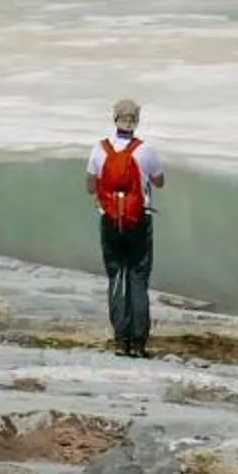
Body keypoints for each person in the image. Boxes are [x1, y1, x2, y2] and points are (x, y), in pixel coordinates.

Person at [87, 96, 165, 355]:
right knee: (138, 278)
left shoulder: (99, 149)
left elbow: (90, 186)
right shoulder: (145, 150)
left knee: (116, 276)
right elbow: (159, 181)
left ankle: (121, 341)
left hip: (109, 221)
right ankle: (139, 343)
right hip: (139, 220)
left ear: (115, 119)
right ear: (137, 122)